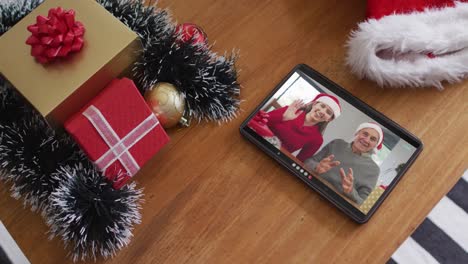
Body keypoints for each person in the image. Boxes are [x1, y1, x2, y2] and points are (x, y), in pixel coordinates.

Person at [304, 122, 383, 205]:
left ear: (375, 145)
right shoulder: (337, 143)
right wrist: (316, 167)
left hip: (334, 204)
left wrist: (350, 191)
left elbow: (363, 203)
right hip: (310, 186)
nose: (367, 140)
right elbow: (308, 162)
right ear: (357, 133)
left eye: (373, 139)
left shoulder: (374, 170)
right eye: (365, 134)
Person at [260, 93, 342, 162]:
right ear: (314, 104)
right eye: (322, 106)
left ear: (329, 119)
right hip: (257, 138)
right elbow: (260, 120)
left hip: (274, 158)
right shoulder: (290, 111)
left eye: (328, 112)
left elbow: (299, 162)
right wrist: (283, 117)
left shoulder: (317, 140)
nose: (322, 111)